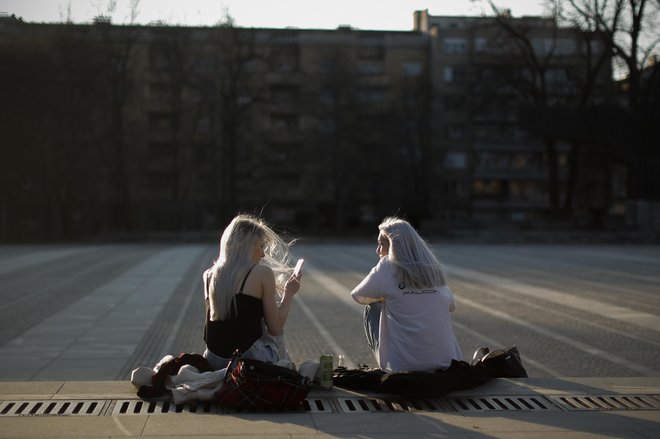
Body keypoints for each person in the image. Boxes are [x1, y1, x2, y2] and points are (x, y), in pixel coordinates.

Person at [351, 217, 463, 372]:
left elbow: (358, 296)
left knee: (372, 307)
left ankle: (388, 364)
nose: (377, 251)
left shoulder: (387, 267)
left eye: (381, 245)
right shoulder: (433, 270)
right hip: (447, 364)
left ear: (394, 247)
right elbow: (451, 305)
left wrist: (387, 297)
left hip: (402, 368)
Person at [202, 214, 302, 370]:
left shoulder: (208, 275)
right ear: (247, 246)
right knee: (272, 330)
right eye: (261, 246)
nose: (263, 254)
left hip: (214, 359)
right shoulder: (262, 273)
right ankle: (285, 367)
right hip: (247, 362)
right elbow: (275, 328)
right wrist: (288, 293)